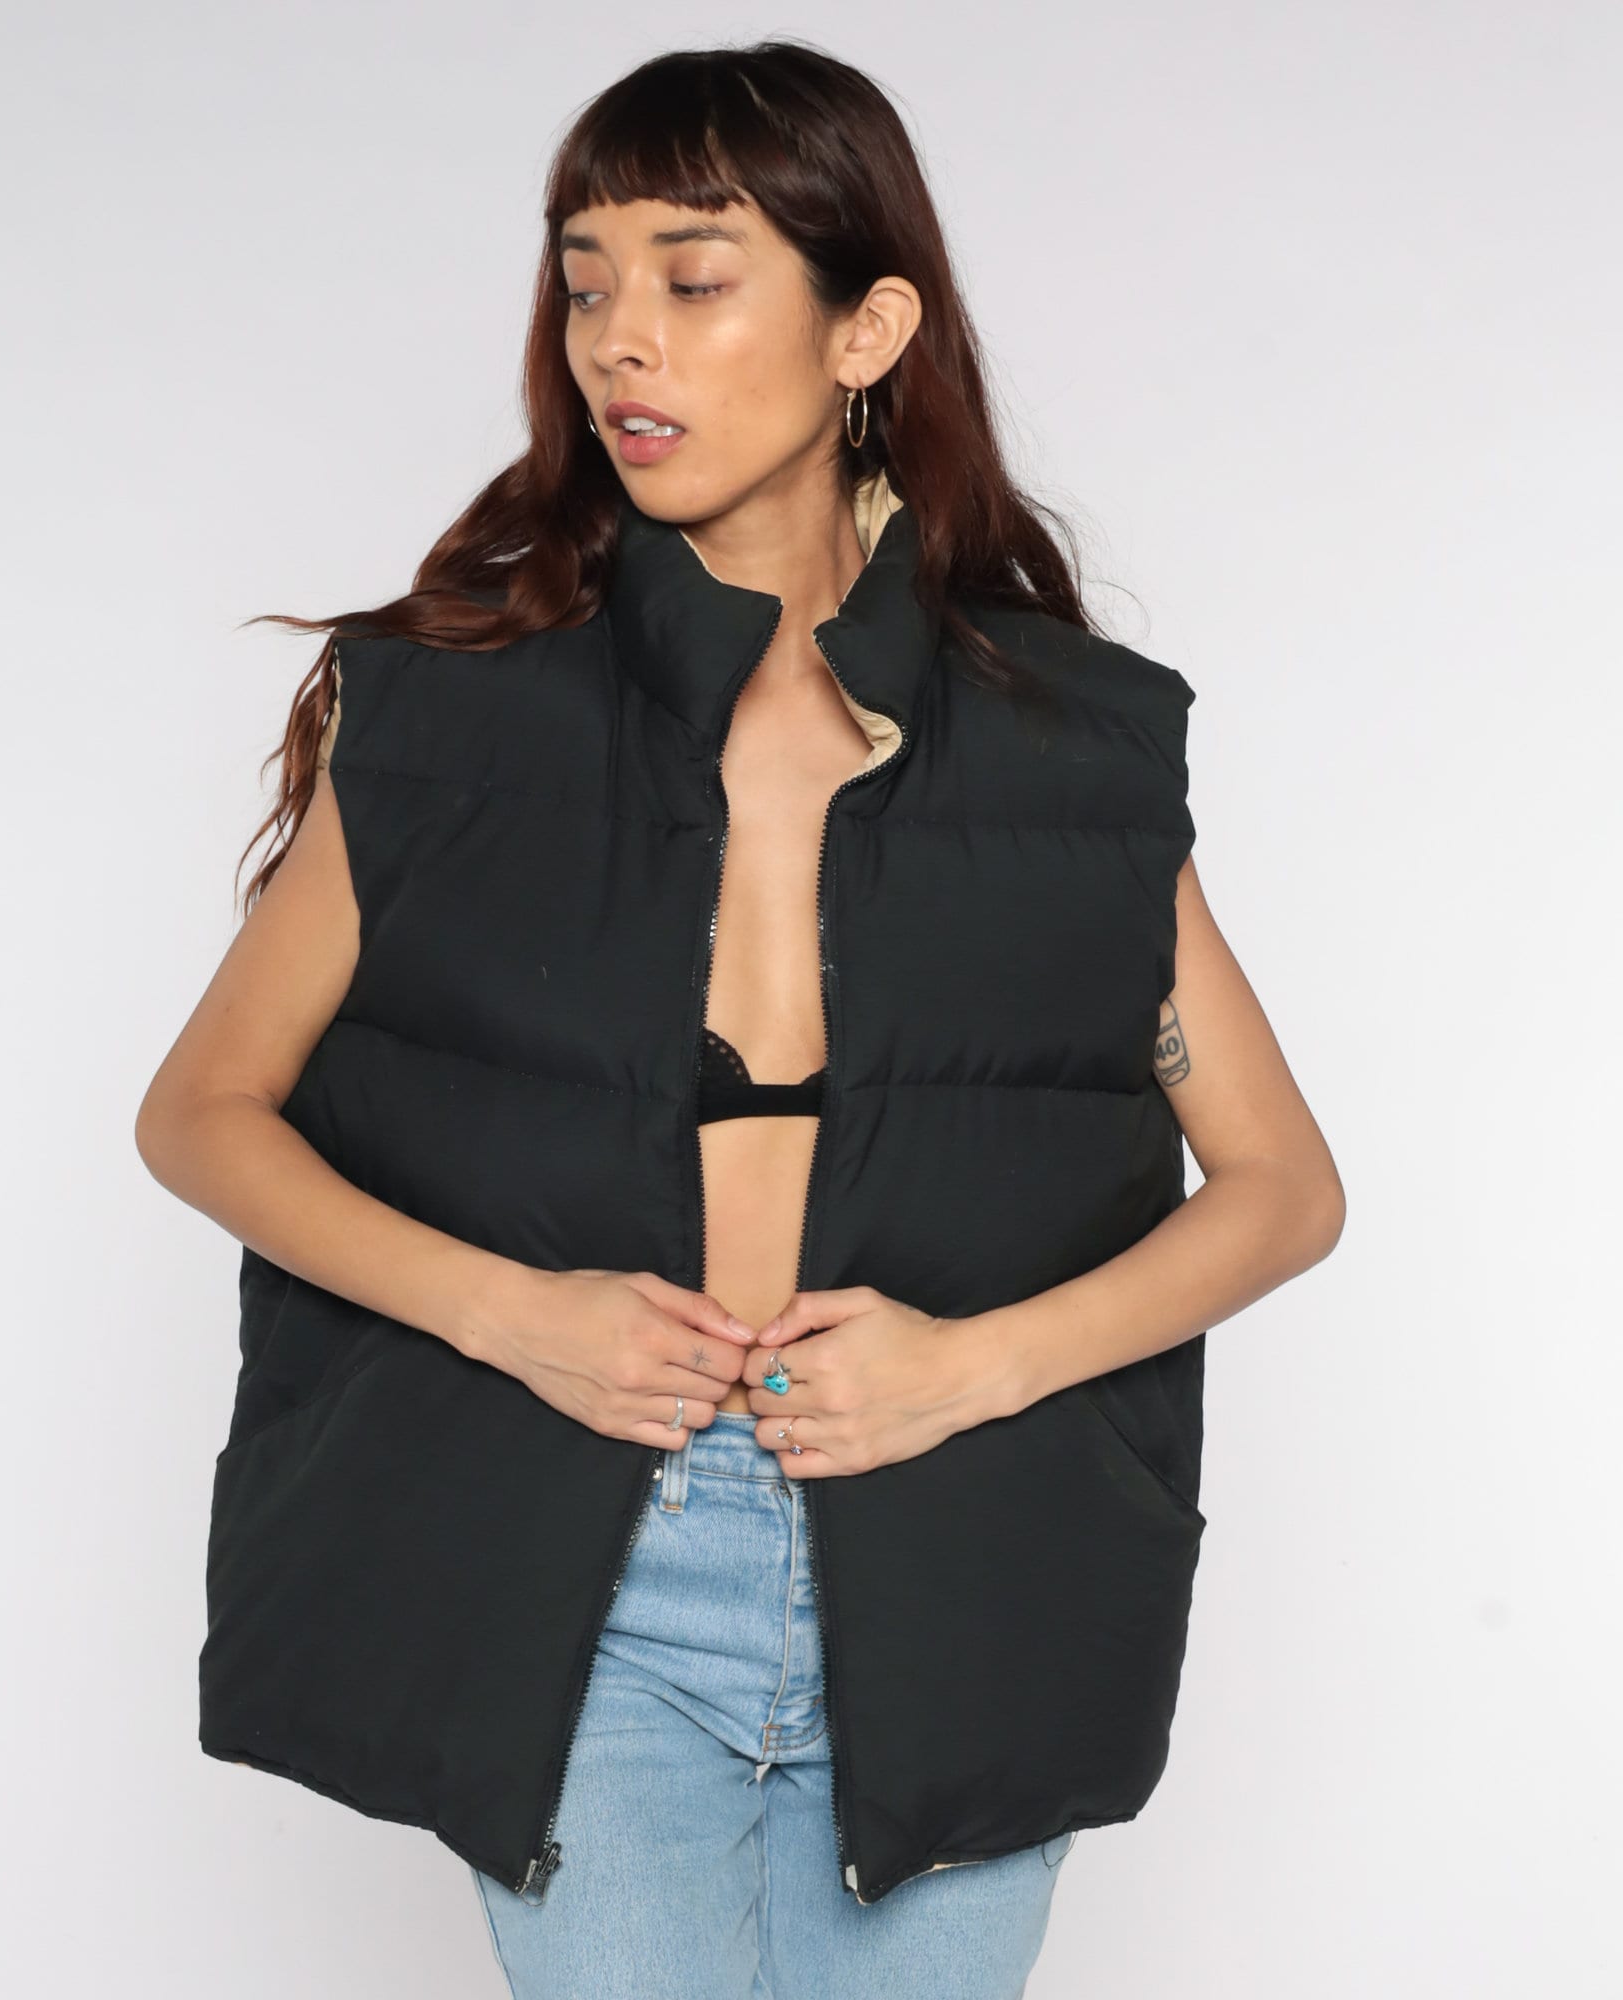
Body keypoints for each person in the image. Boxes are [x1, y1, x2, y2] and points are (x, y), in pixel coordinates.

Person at [136, 39, 1346, 2000]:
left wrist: (971, 1371)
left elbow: (1283, 1187)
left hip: (962, 1567)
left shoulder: (1065, 748)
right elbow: (201, 1111)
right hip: (597, 1573)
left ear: (869, 330)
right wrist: (512, 1312)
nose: (621, 338)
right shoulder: (459, 719)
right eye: (585, 280)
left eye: (693, 278)